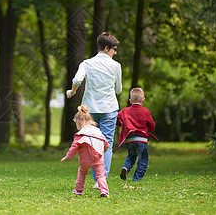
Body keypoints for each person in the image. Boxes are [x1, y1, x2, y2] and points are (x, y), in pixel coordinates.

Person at [66, 32, 122, 189]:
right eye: (114, 49)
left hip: (90, 109)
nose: (115, 52)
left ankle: (97, 177)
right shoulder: (116, 66)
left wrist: (72, 92)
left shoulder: (86, 64)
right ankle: (100, 179)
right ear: (106, 48)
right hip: (110, 108)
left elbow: (77, 80)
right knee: (107, 143)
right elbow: (118, 90)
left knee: (91, 142)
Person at [60, 105, 110, 197]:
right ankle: (104, 191)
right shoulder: (97, 132)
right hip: (98, 160)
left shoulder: (80, 134)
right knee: (101, 176)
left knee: (82, 172)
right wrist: (105, 149)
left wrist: (68, 157)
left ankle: (78, 190)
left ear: (78, 122)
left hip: (85, 161)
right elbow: (105, 142)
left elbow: (74, 147)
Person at [117, 88, 157, 181]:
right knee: (143, 160)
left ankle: (126, 167)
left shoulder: (125, 111)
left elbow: (115, 118)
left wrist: (121, 124)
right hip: (141, 140)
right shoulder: (145, 111)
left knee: (131, 156)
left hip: (129, 139)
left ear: (130, 101)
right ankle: (137, 178)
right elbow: (152, 126)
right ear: (143, 100)